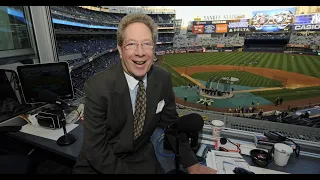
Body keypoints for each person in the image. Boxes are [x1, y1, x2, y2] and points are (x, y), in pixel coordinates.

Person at [72, 13, 217, 174]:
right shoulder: (97, 87)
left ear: (154, 48)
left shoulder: (162, 79)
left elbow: (172, 126)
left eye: (146, 44)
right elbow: (96, 151)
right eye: (131, 44)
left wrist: (192, 165)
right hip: (100, 163)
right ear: (120, 49)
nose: (140, 52)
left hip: (140, 156)